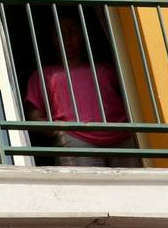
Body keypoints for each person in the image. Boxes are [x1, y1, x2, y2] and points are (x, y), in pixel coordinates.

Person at [24, 11, 133, 167]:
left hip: (121, 135)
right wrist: (56, 130)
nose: (67, 38)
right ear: (52, 39)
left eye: (73, 31)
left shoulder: (105, 69)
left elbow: (132, 98)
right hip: (76, 138)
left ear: (82, 34)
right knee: (85, 182)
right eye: (59, 33)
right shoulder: (43, 75)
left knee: (131, 181)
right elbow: (34, 115)